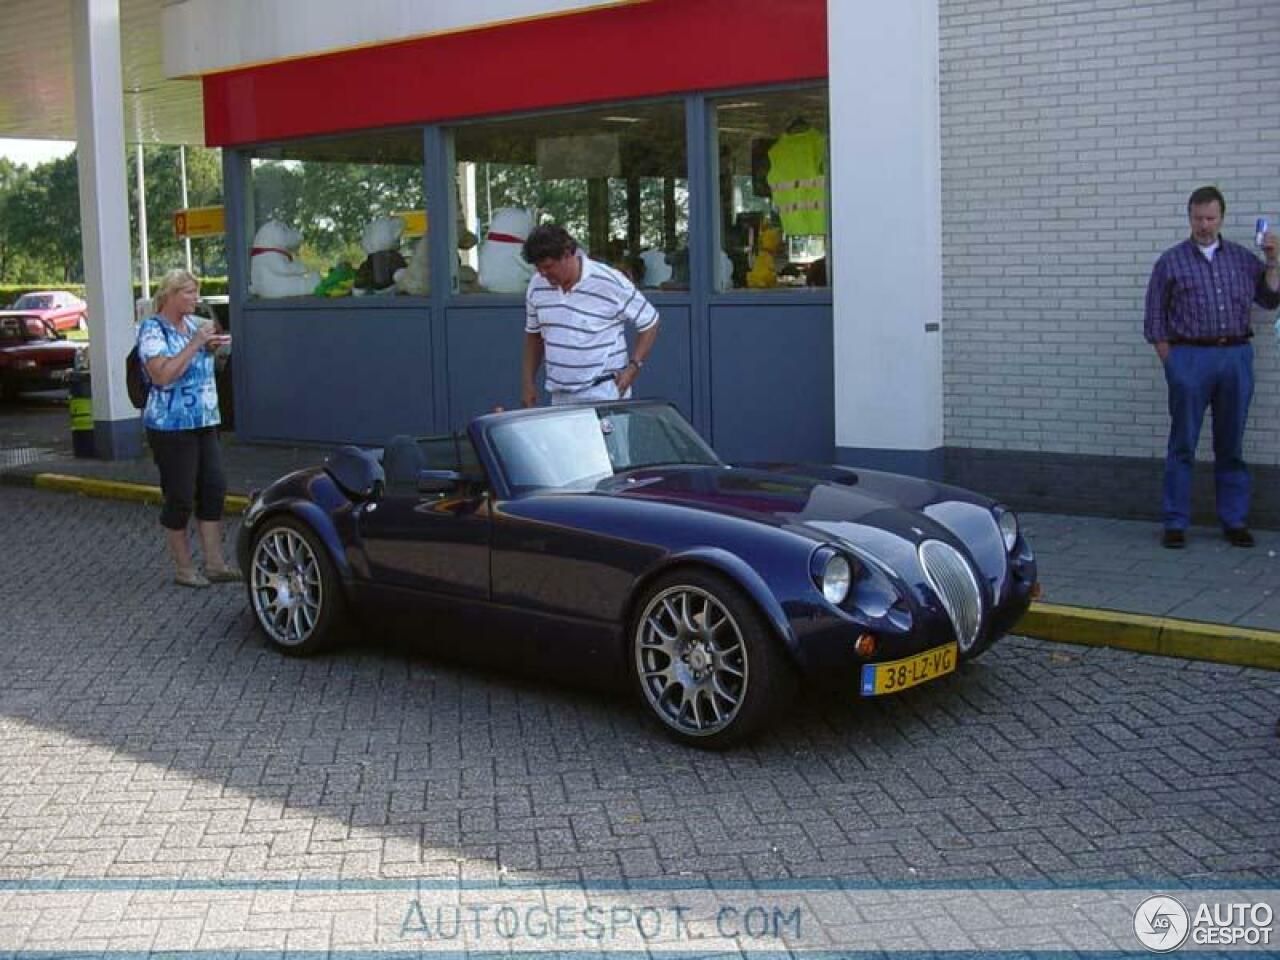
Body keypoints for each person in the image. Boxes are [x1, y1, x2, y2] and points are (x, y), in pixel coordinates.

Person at [1144, 186, 1280, 549]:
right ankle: (1175, 522)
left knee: (1231, 444)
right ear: (1189, 217)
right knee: (1183, 443)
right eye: (1197, 218)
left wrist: (1272, 261)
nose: (1204, 225)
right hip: (1189, 358)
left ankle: (1234, 521)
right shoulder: (1170, 262)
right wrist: (1173, 363)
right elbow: (1155, 318)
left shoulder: (1240, 258)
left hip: (1235, 357)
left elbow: (1269, 300)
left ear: (1221, 218)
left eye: (1210, 218)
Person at [137, 269, 242, 587]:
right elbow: (162, 375)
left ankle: (215, 563)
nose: (196, 299)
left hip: (205, 420)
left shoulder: (196, 326)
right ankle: (184, 568)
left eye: (196, 293)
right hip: (170, 427)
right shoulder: (152, 330)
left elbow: (203, 359)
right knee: (180, 495)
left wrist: (214, 347)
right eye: (189, 293)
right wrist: (196, 344)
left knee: (213, 489)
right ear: (169, 295)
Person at [520, 224, 659, 407]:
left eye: (548, 266)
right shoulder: (537, 285)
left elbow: (650, 320)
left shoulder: (608, 281)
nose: (543, 274)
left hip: (604, 391)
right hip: (560, 395)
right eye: (538, 268)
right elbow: (534, 335)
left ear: (568, 254)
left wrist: (634, 367)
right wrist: (528, 382)